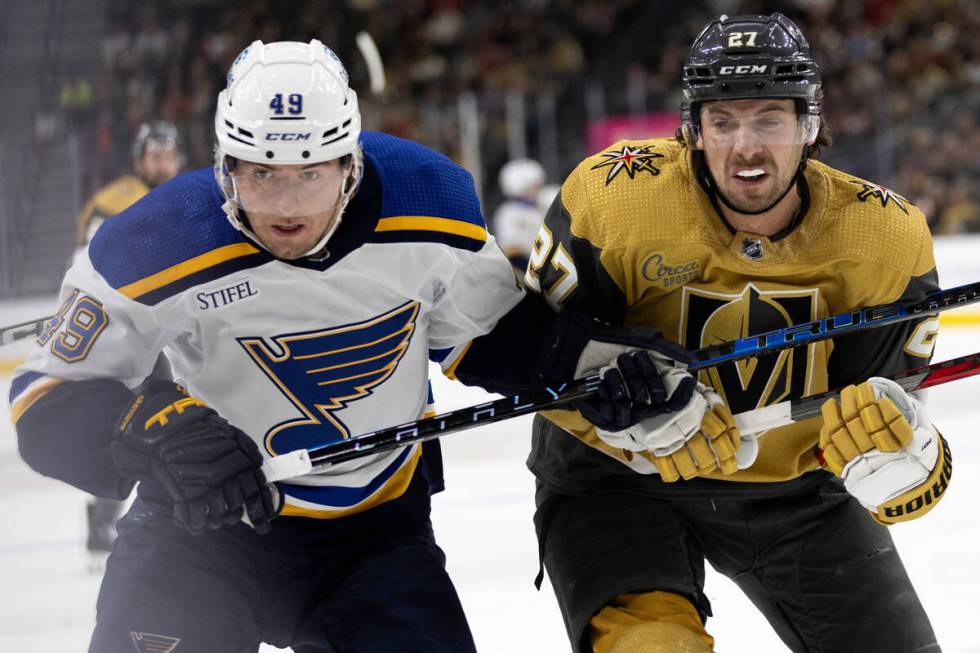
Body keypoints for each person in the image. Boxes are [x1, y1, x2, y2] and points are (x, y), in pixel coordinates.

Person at [10, 39, 703, 653]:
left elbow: (492, 335)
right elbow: (44, 400)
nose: (287, 205)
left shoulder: (430, 200)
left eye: (310, 173)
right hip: (198, 535)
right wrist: (155, 427)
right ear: (224, 165)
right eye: (261, 173)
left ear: (350, 162)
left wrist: (600, 366)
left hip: (374, 537)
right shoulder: (153, 238)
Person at [527, 13, 948, 653]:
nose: (744, 147)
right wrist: (609, 411)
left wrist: (905, 461)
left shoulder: (884, 238)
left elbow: (895, 408)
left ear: (809, 124)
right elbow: (533, 352)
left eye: (769, 120)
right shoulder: (615, 199)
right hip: (617, 480)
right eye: (722, 122)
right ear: (693, 129)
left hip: (799, 495)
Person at [73, 119, 183, 564]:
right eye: (154, 155)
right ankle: (107, 518)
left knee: (166, 426)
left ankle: (113, 519)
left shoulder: (187, 196)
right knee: (147, 427)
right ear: (138, 159)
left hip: (169, 331)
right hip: (127, 337)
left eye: (168, 154)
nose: (162, 163)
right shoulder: (112, 202)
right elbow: (93, 270)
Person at [75, 120, 181, 249]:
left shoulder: (184, 197)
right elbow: (89, 258)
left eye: (170, 158)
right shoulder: (115, 201)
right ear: (138, 162)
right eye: (156, 158)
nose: (164, 166)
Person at [492, 157, 548, 270]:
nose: (537, 190)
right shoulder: (508, 213)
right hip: (523, 270)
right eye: (533, 186)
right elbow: (511, 250)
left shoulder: (543, 205)